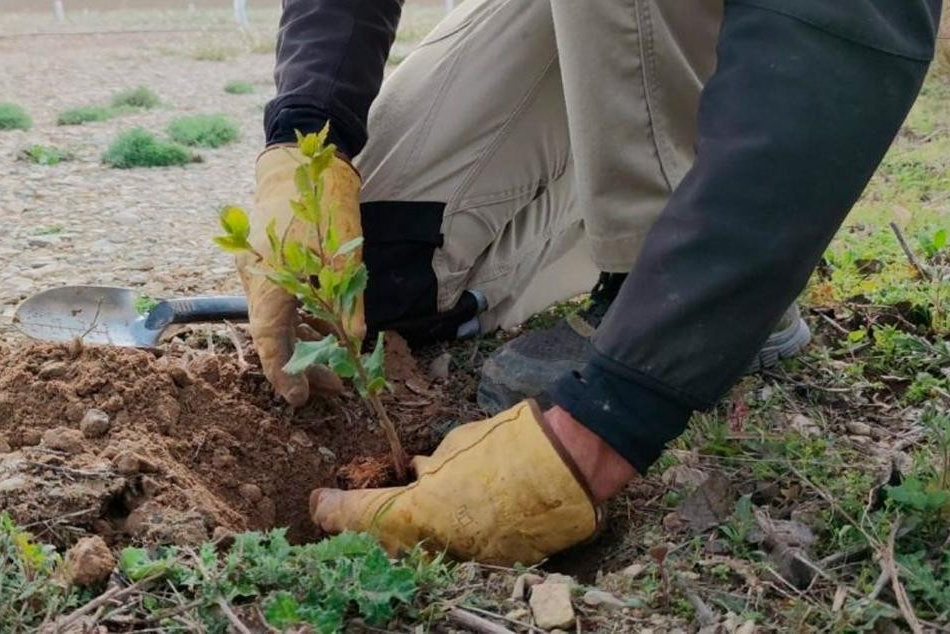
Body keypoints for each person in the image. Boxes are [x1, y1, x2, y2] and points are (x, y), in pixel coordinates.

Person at [240, 0, 943, 565]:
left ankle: (663, 274)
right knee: (392, 269)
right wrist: (308, 141)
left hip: (753, 43)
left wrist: (611, 421)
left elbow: (858, 23)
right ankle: (640, 199)